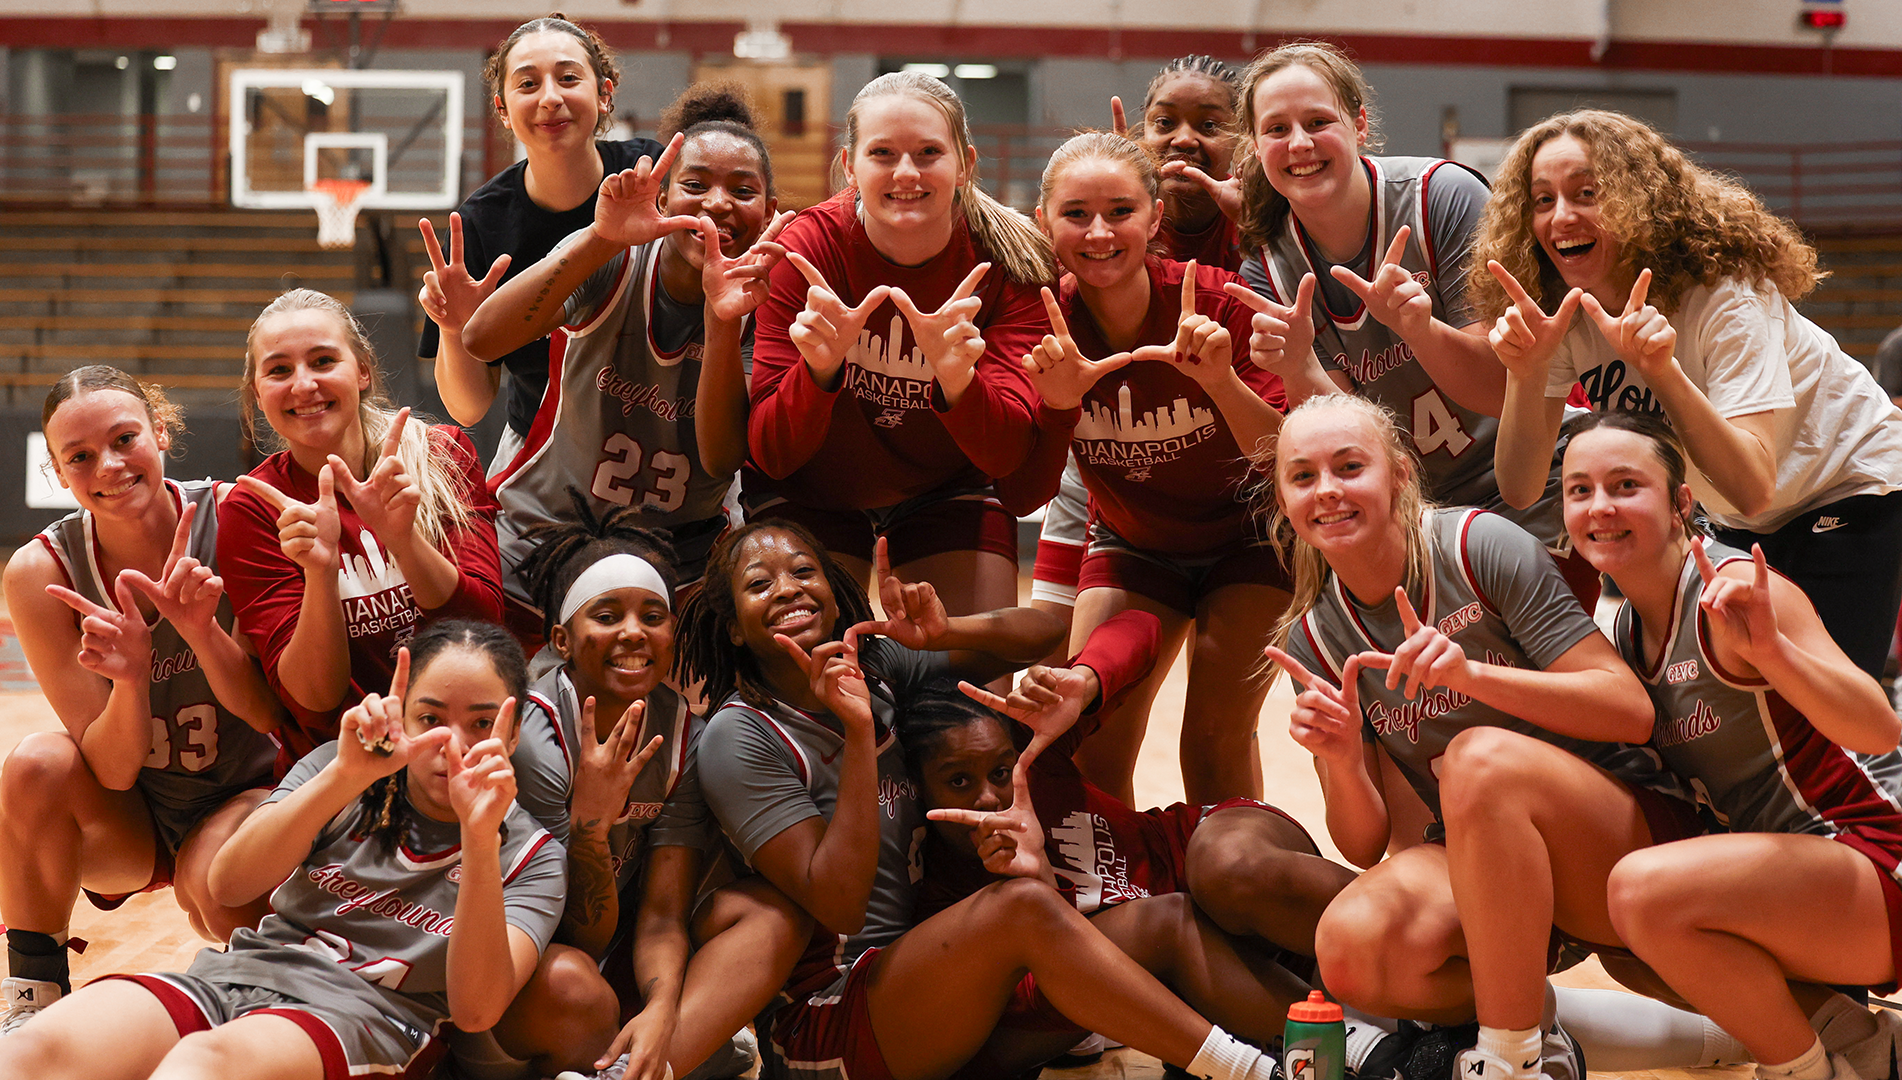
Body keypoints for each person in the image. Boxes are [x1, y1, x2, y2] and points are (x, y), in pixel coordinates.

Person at [668, 520, 1284, 1080]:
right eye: (759, 584)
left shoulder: (877, 664)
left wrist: (945, 633)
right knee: (1022, 904)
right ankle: (1248, 1072)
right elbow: (840, 905)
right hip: (836, 1017)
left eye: (804, 571)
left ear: (834, 589)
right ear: (731, 625)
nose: (789, 590)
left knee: (1166, 920)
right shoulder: (738, 734)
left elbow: (1047, 635)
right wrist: (858, 734)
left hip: (949, 974)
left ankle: (1348, 1042)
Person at [1260, 393, 1688, 1080]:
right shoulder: (1312, 638)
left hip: (1610, 838)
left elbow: (1628, 710)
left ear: (1399, 474)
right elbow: (1363, 842)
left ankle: (1511, 1058)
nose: (1328, 492)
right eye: (1303, 476)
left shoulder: (1477, 546)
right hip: (1487, 867)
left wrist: (1475, 680)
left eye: (1349, 467)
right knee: (1349, 948)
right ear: (1282, 499)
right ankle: (1540, 1028)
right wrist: (1341, 763)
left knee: (1475, 758)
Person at [0, 620, 566, 1080]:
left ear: (513, 736)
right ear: (402, 714)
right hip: (236, 977)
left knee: (201, 1066)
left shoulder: (533, 856)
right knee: (33, 1051)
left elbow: (474, 1010)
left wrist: (477, 835)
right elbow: (230, 884)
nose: (453, 744)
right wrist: (344, 775)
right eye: (431, 718)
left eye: (482, 723)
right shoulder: (341, 770)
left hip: (364, 1021)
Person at [1476, 108, 1902, 679]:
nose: (1562, 216)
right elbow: (1522, 487)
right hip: (1736, 516)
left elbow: (1752, 486)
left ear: (1634, 199)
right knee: (1744, 699)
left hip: (1847, 483)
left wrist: (1661, 370)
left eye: (1586, 193)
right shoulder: (1561, 313)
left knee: (1828, 709)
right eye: (1543, 200)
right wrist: (1526, 376)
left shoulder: (1724, 293)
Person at [1550, 410, 1902, 1080]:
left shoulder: (1735, 589)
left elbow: (1879, 728)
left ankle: (1800, 1071)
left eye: (1626, 485)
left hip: (1874, 855)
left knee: (1641, 895)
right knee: (1614, 923)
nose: (1601, 507)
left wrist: (1773, 653)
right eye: (1579, 490)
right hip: (1792, 874)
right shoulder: (1621, 633)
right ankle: (1862, 1044)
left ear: (1682, 501)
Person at [907, 611, 1362, 1064]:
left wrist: (1084, 682)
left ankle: (1395, 946)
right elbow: (1030, 1006)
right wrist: (1040, 882)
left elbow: (1141, 626)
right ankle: (1369, 1049)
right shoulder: (940, 893)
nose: (990, 797)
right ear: (920, 790)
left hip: (1199, 849)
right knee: (1167, 922)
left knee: (1226, 867)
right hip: (1204, 977)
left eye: (1001, 772)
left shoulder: (1034, 749)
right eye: (960, 782)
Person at [459, 494, 807, 1080]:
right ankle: (663, 1058)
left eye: (652, 616)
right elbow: (568, 926)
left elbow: (664, 912)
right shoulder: (535, 735)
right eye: (606, 616)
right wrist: (592, 826)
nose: (633, 633)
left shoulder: (683, 734)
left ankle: (644, 1063)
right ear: (562, 641)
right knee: (575, 985)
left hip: (615, 952)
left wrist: (664, 1008)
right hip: (522, 975)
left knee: (772, 913)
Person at [1225, 43, 1588, 600]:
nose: (1299, 143)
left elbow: (1502, 390)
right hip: (1420, 509)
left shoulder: (1443, 197)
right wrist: (1298, 368)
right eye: (1277, 129)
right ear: (1255, 146)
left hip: (1536, 473)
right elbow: (1349, 441)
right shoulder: (1266, 269)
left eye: (1318, 121)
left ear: (1359, 123)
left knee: (1529, 673)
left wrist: (1421, 330)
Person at [0, 368, 283, 1035]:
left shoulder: (237, 513)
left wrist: (199, 631)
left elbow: (270, 712)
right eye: (80, 456)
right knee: (34, 765)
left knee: (216, 888)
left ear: (161, 431)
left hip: (251, 791)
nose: (109, 465)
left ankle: (272, 998)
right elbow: (114, 772)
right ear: (57, 469)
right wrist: (130, 679)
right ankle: (31, 995)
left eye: (126, 438)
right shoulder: (42, 572)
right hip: (138, 815)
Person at [1010, 131, 1289, 805]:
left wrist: (1222, 383)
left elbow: (1287, 459)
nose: (1099, 232)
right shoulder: (1038, 323)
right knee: (1093, 748)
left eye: (1120, 211)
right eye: (1076, 213)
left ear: (1155, 218)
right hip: (1136, 545)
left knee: (1212, 742)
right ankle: (1128, 900)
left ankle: (1230, 895)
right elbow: (1027, 491)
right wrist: (1056, 409)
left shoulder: (1220, 304)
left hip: (1249, 543)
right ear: (1044, 221)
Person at [463, 84, 788, 631]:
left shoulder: (772, 299)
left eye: (742, 190)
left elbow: (720, 457)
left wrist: (721, 322)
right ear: (661, 197)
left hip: (680, 555)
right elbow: (482, 339)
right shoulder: (614, 257)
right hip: (543, 531)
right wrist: (599, 236)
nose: (716, 203)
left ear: (770, 210)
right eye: (694, 184)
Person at [747, 71, 1053, 620]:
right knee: (808, 677)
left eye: (928, 152)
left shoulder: (1014, 263)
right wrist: (817, 373)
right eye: (883, 153)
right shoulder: (806, 251)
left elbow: (1007, 458)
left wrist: (959, 383)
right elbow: (772, 454)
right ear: (849, 166)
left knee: (964, 685)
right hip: (815, 489)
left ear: (965, 164)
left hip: (945, 488)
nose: (906, 173)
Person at [218, 289, 503, 757]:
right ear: (258, 393)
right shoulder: (252, 509)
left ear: (363, 370)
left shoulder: (440, 455)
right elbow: (315, 702)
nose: (303, 384)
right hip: (343, 753)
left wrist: (403, 542)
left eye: (323, 361)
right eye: (279, 370)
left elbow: (484, 633)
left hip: (465, 732)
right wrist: (319, 574)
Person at [419, 14, 666, 469]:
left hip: (666, 442)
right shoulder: (480, 223)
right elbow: (468, 407)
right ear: (502, 110)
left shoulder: (656, 175)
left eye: (569, 78)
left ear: (605, 93)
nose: (550, 98)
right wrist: (454, 330)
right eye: (528, 84)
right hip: (542, 452)